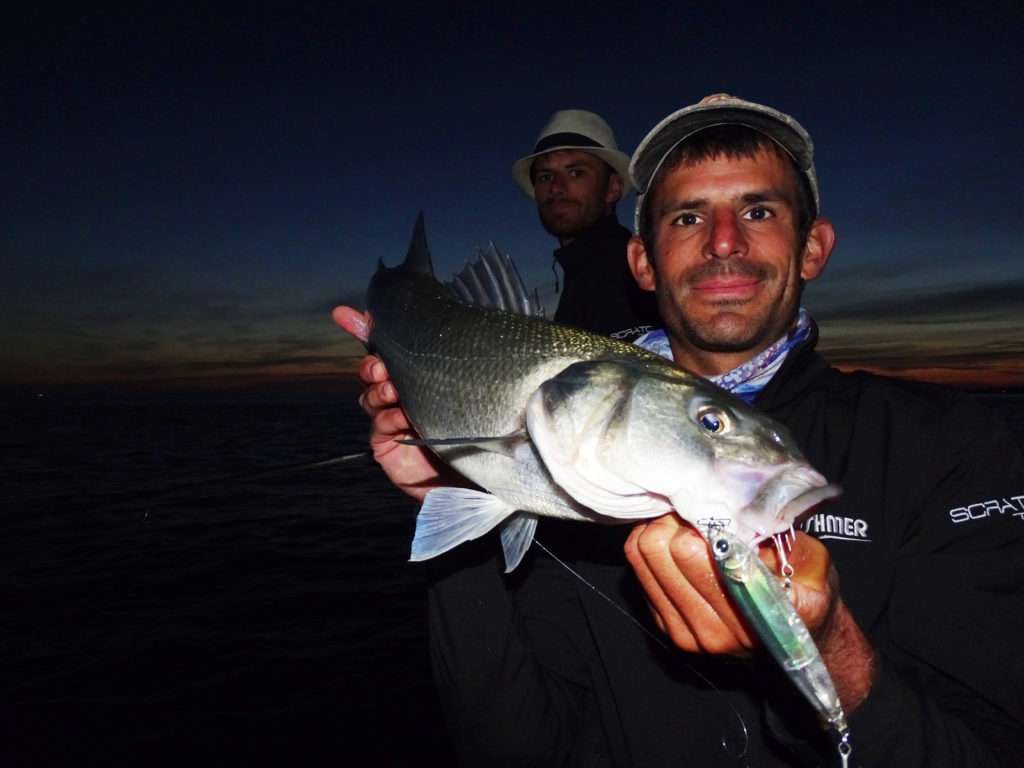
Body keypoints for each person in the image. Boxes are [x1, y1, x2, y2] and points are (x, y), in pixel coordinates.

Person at [333, 94, 1024, 766]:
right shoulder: (585, 489)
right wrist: (454, 513)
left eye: (758, 209)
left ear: (813, 248)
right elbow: (512, 743)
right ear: (641, 261)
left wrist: (829, 652)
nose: (725, 241)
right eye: (688, 218)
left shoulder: (957, 445)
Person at [511, 108, 659, 341]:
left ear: (613, 188)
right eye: (545, 177)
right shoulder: (575, 279)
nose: (556, 188)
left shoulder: (639, 276)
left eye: (576, 172)